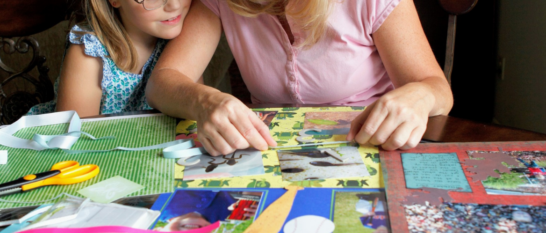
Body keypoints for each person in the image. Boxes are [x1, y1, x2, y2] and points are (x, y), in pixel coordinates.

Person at [146, 0, 453, 154]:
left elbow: (438, 90)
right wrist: (205, 101)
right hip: (264, 152)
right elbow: (163, 81)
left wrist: (419, 97)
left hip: (369, 144)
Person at [27, 0, 193, 117]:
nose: (175, 5)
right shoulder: (90, 53)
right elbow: (76, 141)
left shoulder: (186, 39)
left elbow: (192, 114)